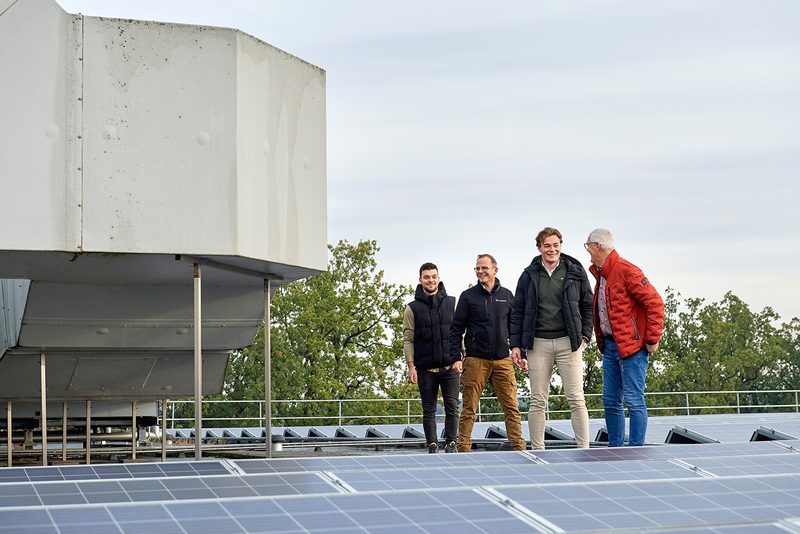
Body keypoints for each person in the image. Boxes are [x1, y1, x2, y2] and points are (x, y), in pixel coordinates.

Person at [510, 227, 593, 450]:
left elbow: (588, 304)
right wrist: (516, 344)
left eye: (555, 245)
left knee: (576, 399)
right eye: (547, 245)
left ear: (561, 246)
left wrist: (585, 335)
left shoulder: (575, 271)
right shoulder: (528, 275)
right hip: (538, 344)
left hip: (570, 342)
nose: (552, 249)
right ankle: (538, 451)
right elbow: (518, 310)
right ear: (539, 248)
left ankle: (584, 449)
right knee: (538, 400)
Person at [584, 228, 664, 447]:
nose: (588, 252)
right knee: (610, 401)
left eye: (588, 246)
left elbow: (655, 303)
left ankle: (635, 452)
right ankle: (615, 450)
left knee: (634, 400)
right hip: (610, 346)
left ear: (597, 246)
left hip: (632, 348)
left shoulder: (627, 270)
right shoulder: (602, 274)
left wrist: (652, 339)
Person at [449, 254, 526, 452]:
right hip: (475, 361)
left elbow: (515, 326)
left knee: (511, 408)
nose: (481, 272)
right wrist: (456, 357)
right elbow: (456, 329)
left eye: (484, 268)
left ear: (495, 270)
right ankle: (463, 449)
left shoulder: (508, 296)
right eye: (477, 269)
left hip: (503, 361)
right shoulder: (468, 296)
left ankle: (519, 448)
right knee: (469, 409)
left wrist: (520, 352)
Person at [403, 262, 461, 454]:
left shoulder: (452, 303)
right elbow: (408, 339)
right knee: (429, 409)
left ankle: (452, 442)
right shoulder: (411, 309)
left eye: (433, 276)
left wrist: (461, 357)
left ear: (438, 277)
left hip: (450, 367)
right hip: (425, 368)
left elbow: (459, 333)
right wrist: (411, 366)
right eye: (426, 277)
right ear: (420, 280)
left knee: (452, 406)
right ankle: (432, 444)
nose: (430, 280)